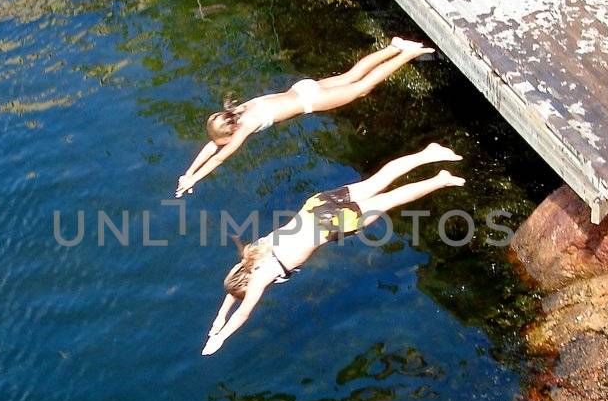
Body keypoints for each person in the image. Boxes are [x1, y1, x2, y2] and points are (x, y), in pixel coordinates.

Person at [201, 143, 464, 354]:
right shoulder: (252, 254)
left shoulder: (258, 279)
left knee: (389, 200)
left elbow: (245, 310)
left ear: (246, 286)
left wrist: (221, 338)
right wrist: (219, 318)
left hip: (330, 224)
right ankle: (428, 154)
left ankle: (440, 180)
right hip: (315, 206)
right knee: (378, 182)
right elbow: (234, 289)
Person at [175, 38, 435, 197]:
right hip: (302, 87)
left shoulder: (243, 128)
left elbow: (219, 155)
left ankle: (408, 54)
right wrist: (188, 173)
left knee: (361, 88)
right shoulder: (238, 111)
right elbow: (213, 144)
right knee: (350, 76)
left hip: (309, 101)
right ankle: (394, 47)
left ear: (230, 133)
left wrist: (195, 179)